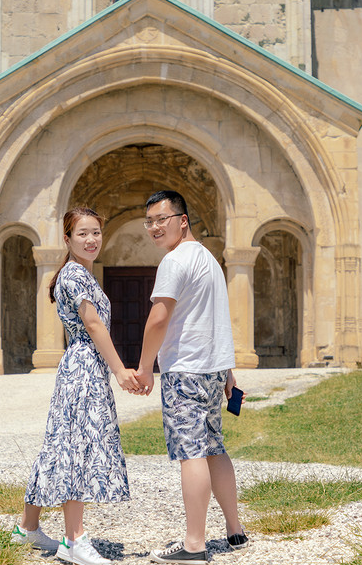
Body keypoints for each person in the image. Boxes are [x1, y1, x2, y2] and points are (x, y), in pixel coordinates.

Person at [12, 206, 142, 565]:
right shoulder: (75, 275)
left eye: (96, 233)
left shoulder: (76, 274)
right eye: (82, 233)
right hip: (85, 365)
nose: (91, 239)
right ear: (67, 239)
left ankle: (28, 527)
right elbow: (93, 324)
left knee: (60, 443)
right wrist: (119, 370)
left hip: (80, 365)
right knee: (78, 447)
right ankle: (74, 540)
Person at [134, 190, 249, 564]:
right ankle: (235, 531)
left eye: (161, 219)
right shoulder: (209, 260)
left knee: (192, 453)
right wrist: (227, 370)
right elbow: (215, 318)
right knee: (214, 446)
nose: (154, 227)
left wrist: (144, 366)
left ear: (182, 220)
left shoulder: (175, 260)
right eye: (148, 221)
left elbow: (159, 318)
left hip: (185, 370)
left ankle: (195, 545)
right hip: (213, 370)